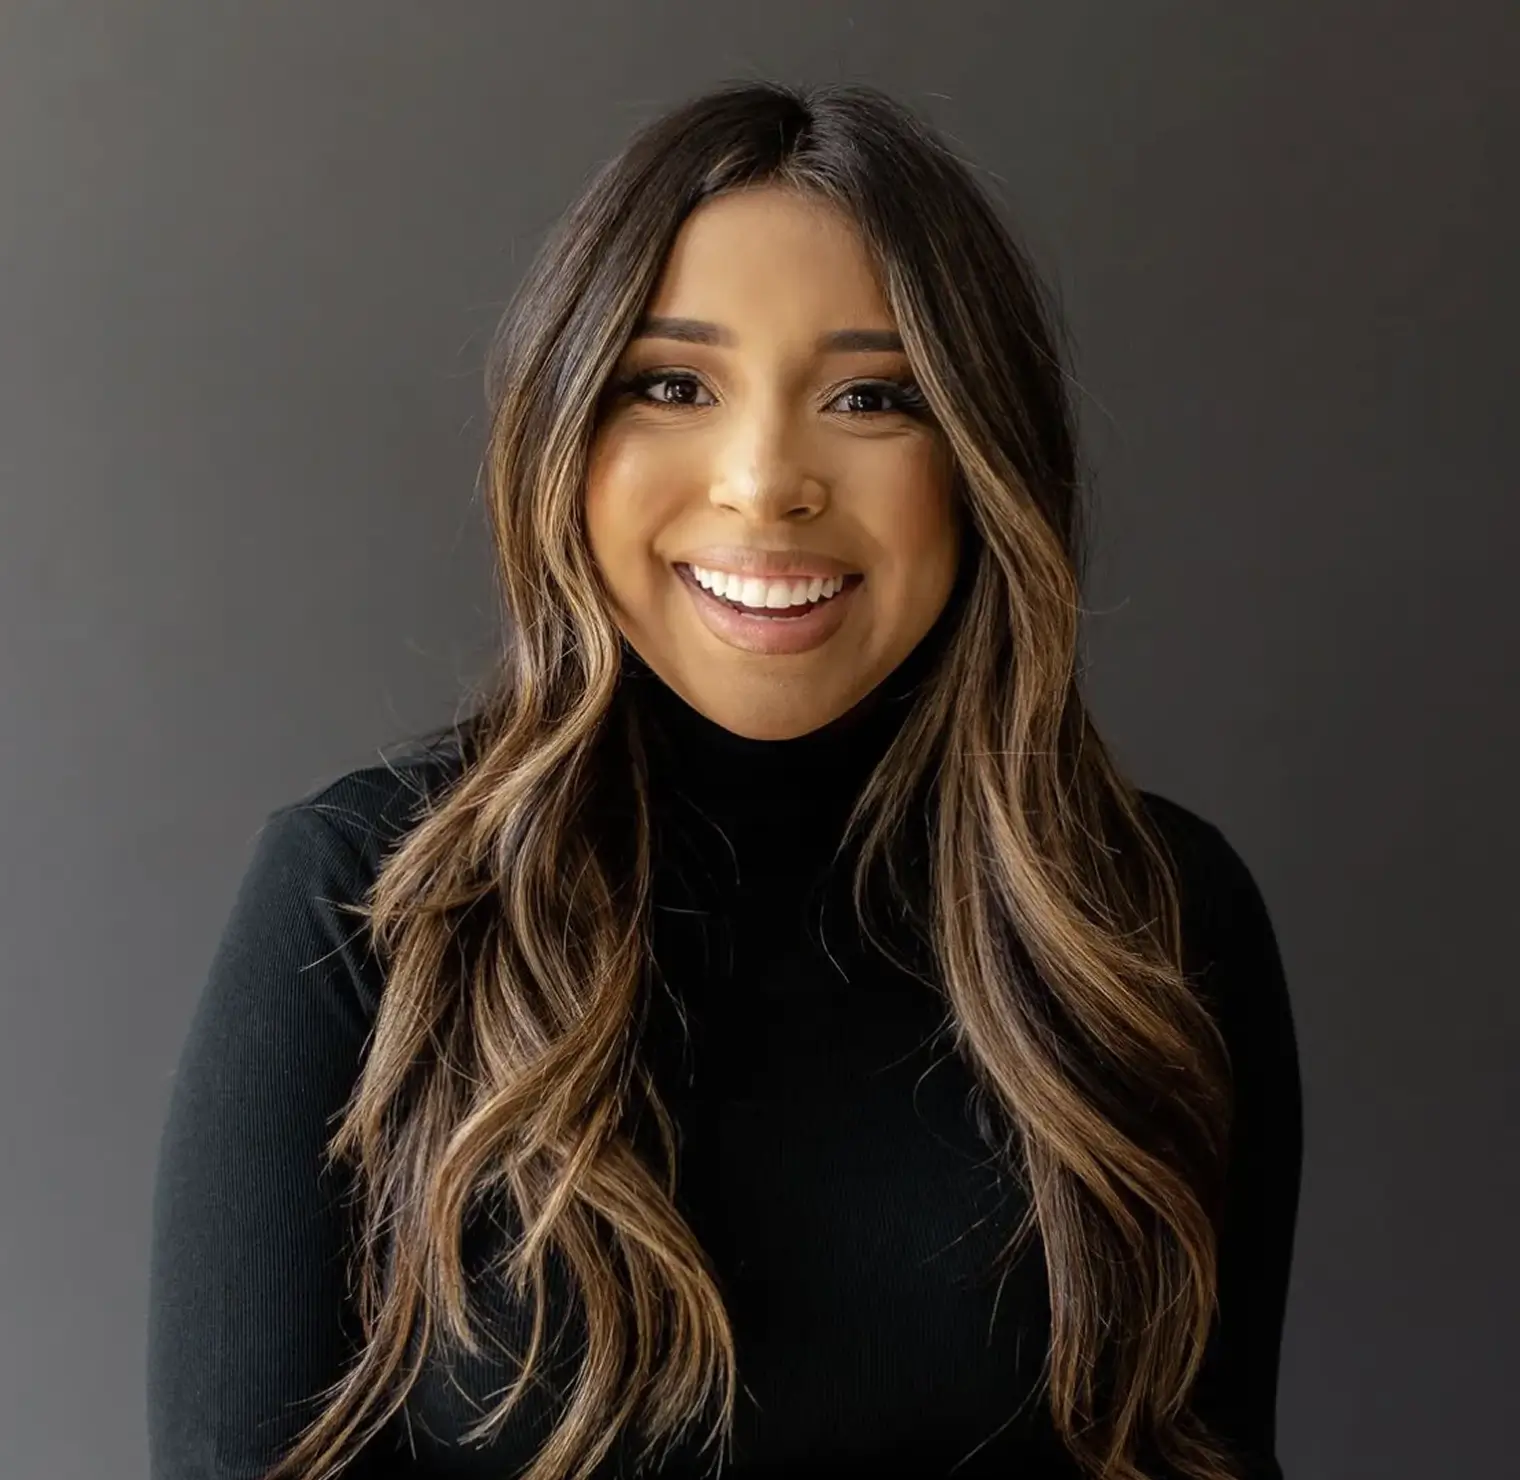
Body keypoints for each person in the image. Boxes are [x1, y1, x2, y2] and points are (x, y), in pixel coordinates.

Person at [146, 80, 1302, 1480]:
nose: (767, 482)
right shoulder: (367, 905)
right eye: (674, 385)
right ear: (565, 434)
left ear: (984, 461)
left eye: (873, 397)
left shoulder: (1158, 927)